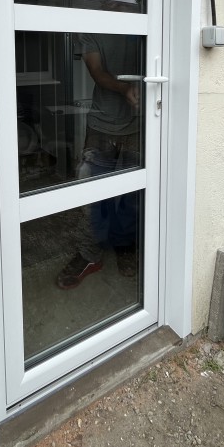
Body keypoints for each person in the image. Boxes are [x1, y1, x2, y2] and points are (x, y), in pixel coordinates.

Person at [56, 29, 143, 289]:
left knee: (132, 194)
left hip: (140, 126)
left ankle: (124, 246)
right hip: (101, 126)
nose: (113, 0)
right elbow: (96, 71)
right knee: (93, 193)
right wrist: (125, 87)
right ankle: (89, 254)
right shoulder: (93, 29)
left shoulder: (142, 17)